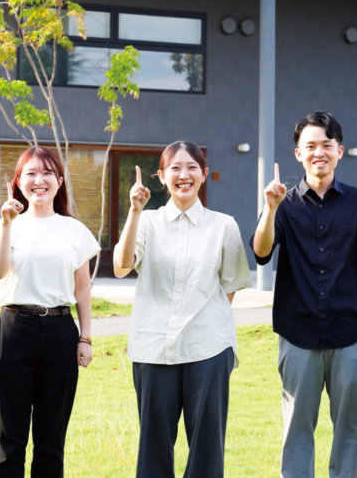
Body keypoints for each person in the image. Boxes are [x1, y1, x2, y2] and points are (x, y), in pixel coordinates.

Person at [251, 111, 357, 478]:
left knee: (350, 430)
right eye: (310, 146)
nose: (319, 153)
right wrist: (270, 208)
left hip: (352, 334)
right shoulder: (283, 204)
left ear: (339, 151)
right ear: (298, 154)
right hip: (298, 335)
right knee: (297, 428)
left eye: (326, 145)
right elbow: (262, 252)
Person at [113, 141, 251, 478]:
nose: (183, 175)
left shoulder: (224, 226)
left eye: (192, 167)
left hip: (208, 348)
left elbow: (229, 288)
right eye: (175, 168)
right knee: (154, 450)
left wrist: (202, 322)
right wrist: (133, 211)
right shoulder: (146, 222)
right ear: (161, 176)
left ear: (204, 175)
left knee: (207, 452)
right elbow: (120, 265)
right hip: (153, 350)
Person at [0, 146, 100, 478]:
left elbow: (82, 290)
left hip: (59, 333)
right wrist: (6, 224)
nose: (39, 180)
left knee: (51, 442)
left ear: (59, 182)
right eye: (31, 173)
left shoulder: (74, 230)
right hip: (12, 331)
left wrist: (85, 338)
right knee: (10, 440)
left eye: (47, 173)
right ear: (19, 182)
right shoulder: (6, 225)